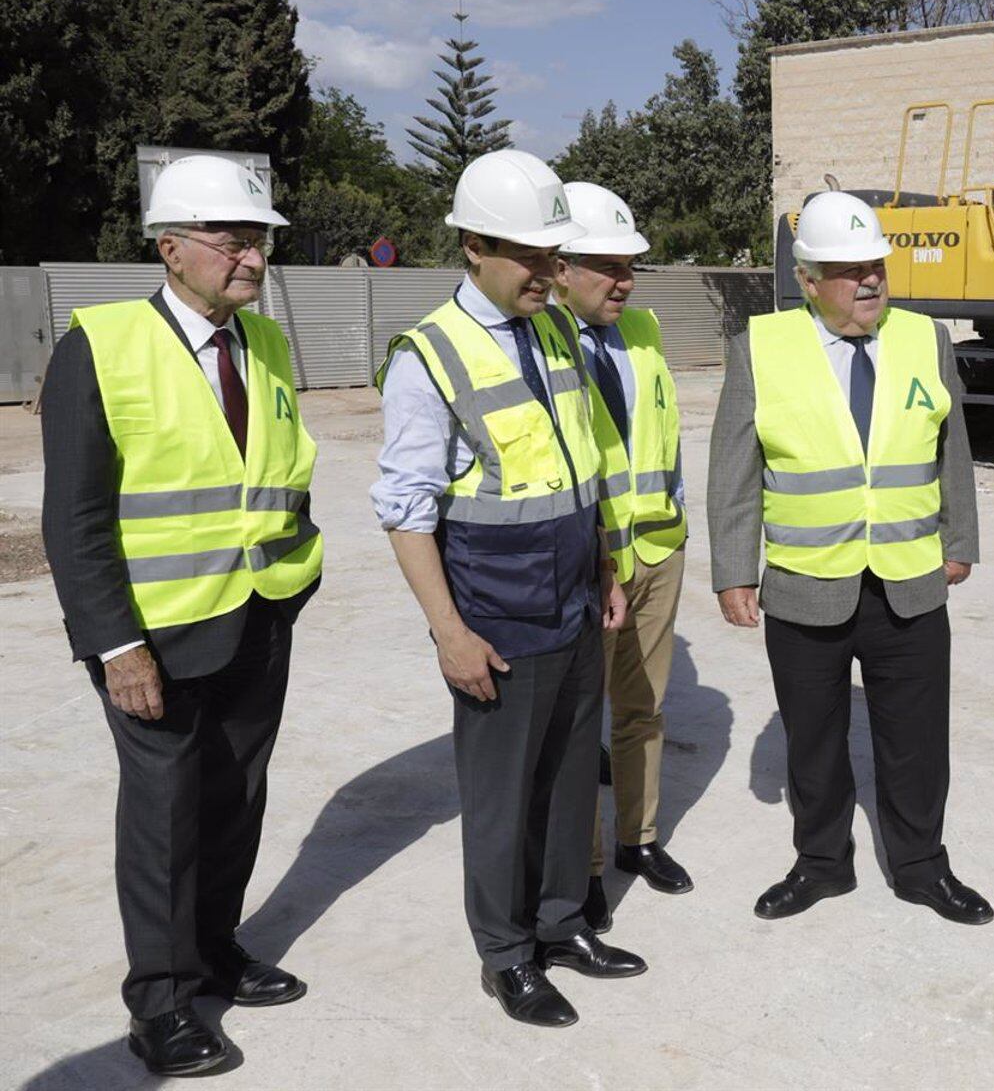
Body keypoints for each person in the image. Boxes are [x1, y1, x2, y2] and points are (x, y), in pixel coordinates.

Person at [40, 154, 324, 1076]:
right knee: (164, 814)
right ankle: (159, 1003)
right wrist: (116, 644)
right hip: (151, 634)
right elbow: (74, 517)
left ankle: (215, 950)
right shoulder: (103, 343)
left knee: (237, 796)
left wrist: (291, 582)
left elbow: (280, 475)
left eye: (261, 240)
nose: (252, 255)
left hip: (257, 613)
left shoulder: (267, 344)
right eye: (233, 238)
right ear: (170, 246)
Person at [372, 149, 643, 1028]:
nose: (547, 272)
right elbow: (407, 512)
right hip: (496, 619)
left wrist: (603, 565)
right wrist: (449, 632)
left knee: (570, 782)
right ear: (473, 245)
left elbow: (585, 468)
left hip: (571, 603)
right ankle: (506, 954)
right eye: (530, 255)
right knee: (499, 802)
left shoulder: (555, 330)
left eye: (553, 256)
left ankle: (563, 924)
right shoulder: (429, 357)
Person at [707, 190, 992, 925]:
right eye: (847, 270)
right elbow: (733, 472)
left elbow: (949, 447)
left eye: (876, 267)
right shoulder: (760, 348)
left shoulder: (926, 338)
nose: (868, 281)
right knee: (814, 740)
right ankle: (823, 864)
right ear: (807, 279)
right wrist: (735, 570)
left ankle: (923, 867)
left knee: (917, 740)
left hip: (909, 580)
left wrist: (959, 540)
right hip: (807, 583)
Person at [553, 181, 693, 931]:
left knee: (642, 712)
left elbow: (662, 442)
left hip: (658, 551)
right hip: (587, 565)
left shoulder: (643, 331)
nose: (624, 281)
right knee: (580, 727)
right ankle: (587, 869)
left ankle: (638, 839)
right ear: (560, 265)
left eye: (630, 265)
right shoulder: (540, 344)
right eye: (606, 266)